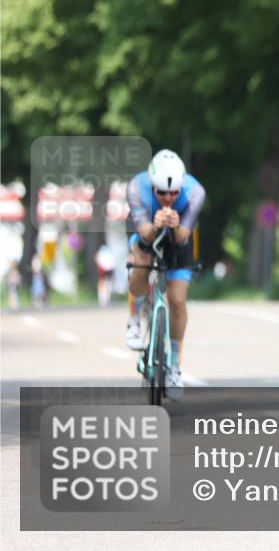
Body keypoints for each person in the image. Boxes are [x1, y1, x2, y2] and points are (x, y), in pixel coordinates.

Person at [124, 149, 205, 400]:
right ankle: (135, 319)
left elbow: (182, 237)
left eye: (174, 193)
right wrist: (156, 224)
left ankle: (174, 366)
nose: (169, 197)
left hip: (179, 235)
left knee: (177, 300)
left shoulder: (195, 193)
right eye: (162, 193)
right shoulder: (137, 188)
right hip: (145, 229)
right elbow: (146, 234)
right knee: (141, 262)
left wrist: (175, 224)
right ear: (152, 186)